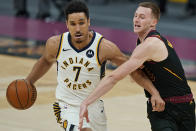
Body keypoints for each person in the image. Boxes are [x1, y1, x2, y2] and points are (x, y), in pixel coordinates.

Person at [25, 0, 164, 131]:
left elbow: (133, 70)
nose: (78, 28)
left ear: (89, 22)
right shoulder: (56, 44)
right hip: (67, 105)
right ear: (67, 24)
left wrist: (154, 92)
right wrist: (28, 82)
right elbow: (45, 61)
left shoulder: (104, 47)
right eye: (73, 24)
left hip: (94, 106)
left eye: (82, 23)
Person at [79, 2, 195, 131]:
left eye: (142, 17)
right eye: (135, 16)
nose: (136, 20)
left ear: (153, 22)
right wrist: (154, 92)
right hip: (161, 107)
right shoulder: (141, 42)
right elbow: (136, 74)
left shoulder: (150, 45)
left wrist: (86, 102)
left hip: (183, 106)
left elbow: (113, 77)